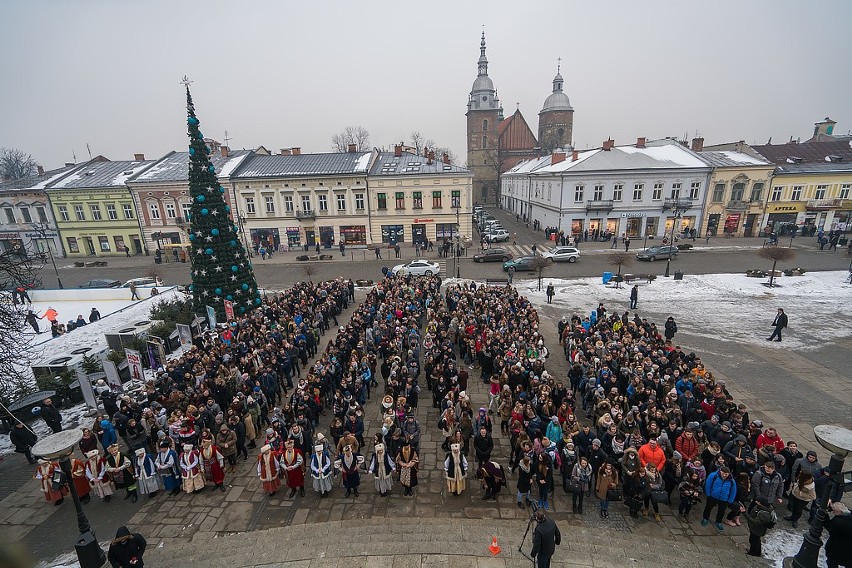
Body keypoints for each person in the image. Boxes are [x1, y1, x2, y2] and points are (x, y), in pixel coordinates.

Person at [702, 466, 737, 530]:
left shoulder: (732, 481)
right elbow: (708, 484)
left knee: (722, 511)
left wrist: (730, 500)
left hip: (724, 499)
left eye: (726, 474)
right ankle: (705, 518)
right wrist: (708, 494)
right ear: (720, 471)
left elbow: (733, 491)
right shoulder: (713, 476)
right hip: (713, 496)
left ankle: (718, 521)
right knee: (708, 508)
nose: (724, 475)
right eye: (723, 473)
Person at [824, 502, 852, 568]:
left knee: (832, 563)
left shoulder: (838, 522)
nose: (833, 513)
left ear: (840, 512)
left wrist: (825, 516)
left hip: (837, 550)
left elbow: (830, 527)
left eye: (834, 512)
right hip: (850, 552)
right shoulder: (848, 515)